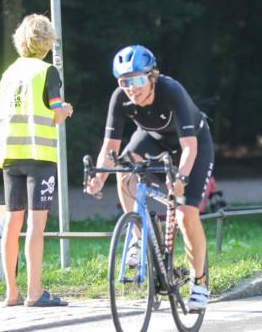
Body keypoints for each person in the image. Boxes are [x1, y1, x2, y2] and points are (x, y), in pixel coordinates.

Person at [84, 45, 214, 311]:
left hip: (192, 144)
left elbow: (189, 147)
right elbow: (110, 148)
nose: (132, 89)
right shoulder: (120, 98)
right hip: (153, 139)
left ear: (152, 76)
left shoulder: (171, 91)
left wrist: (180, 178)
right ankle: (138, 235)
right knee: (124, 169)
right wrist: (99, 178)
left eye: (138, 80)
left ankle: (199, 282)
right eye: (125, 82)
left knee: (185, 215)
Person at [0, 14, 73, 307]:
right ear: (47, 42)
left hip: (10, 154)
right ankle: (34, 292)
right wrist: (66, 111)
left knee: (12, 222)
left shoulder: (9, 73)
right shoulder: (47, 72)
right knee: (36, 225)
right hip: (39, 155)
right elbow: (55, 111)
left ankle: (11, 293)